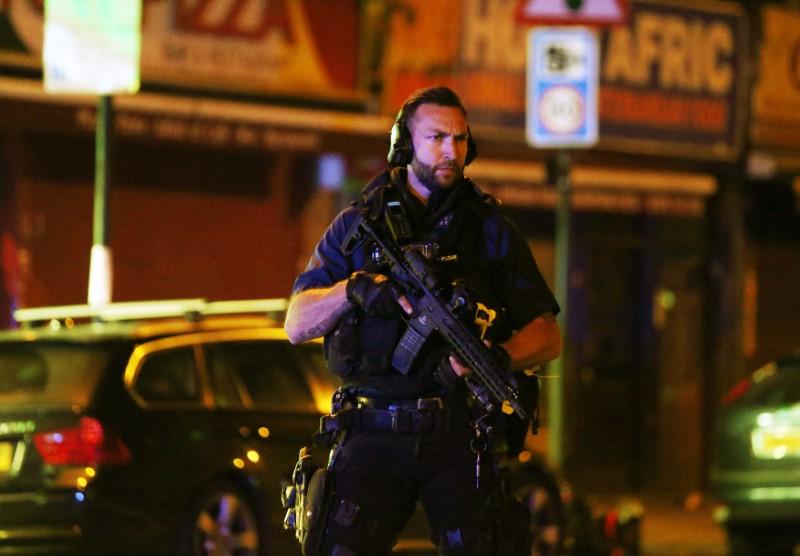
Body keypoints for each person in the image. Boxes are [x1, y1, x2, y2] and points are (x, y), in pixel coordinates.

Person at [284, 86, 562, 556]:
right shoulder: (356, 226)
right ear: (405, 144)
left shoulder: (488, 230)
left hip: (456, 435)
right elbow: (296, 323)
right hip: (370, 432)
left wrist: (498, 358)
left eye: (459, 138)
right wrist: (352, 290)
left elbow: (548, 335)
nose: (451, 151)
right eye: (436, 138)